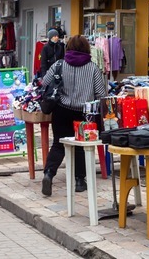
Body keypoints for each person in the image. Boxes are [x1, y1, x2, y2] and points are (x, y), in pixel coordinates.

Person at [41, 35, 106, 196]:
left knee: (58, 144)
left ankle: (49, 173)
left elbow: (45, 82)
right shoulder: (93, 68)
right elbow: (101, 93)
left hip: (61, 110)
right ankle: (79, 181)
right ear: (86, 49)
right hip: (84, 113)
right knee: (80, 147)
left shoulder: (59, 64)